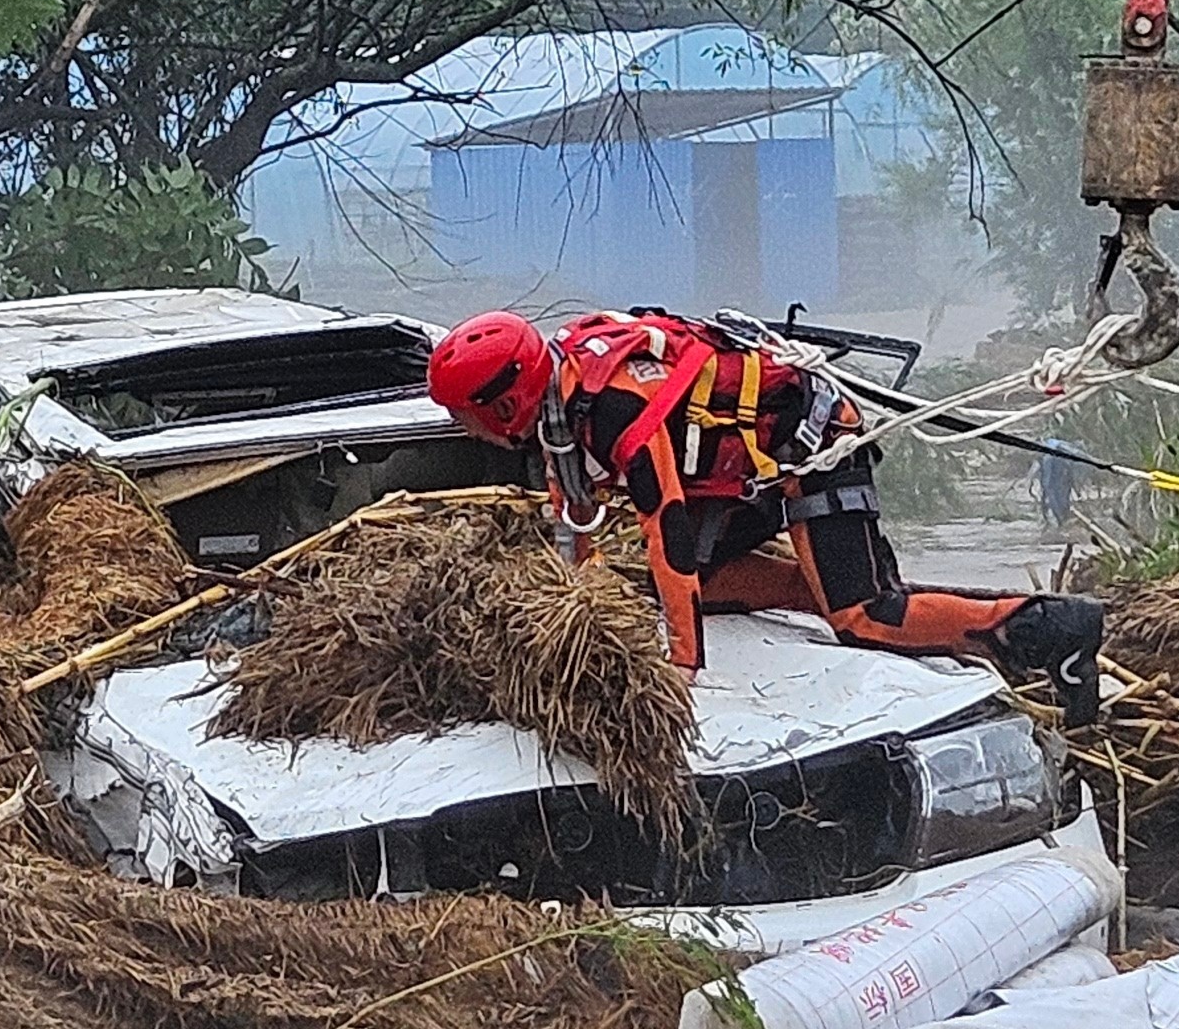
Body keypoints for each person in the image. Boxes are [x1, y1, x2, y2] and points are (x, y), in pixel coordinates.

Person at [425, 306, 1107, 726]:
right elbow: (577, 531)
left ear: (501, 400)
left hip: (809, 446)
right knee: (720, 585)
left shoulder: (613, 406)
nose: (467, 430)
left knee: (865, 618)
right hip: (744, 474)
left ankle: (1053, 629)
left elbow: (670, 531)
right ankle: (834, 586)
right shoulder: (561, 413)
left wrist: (680, 670)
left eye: (467, 416)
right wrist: (582, 622)